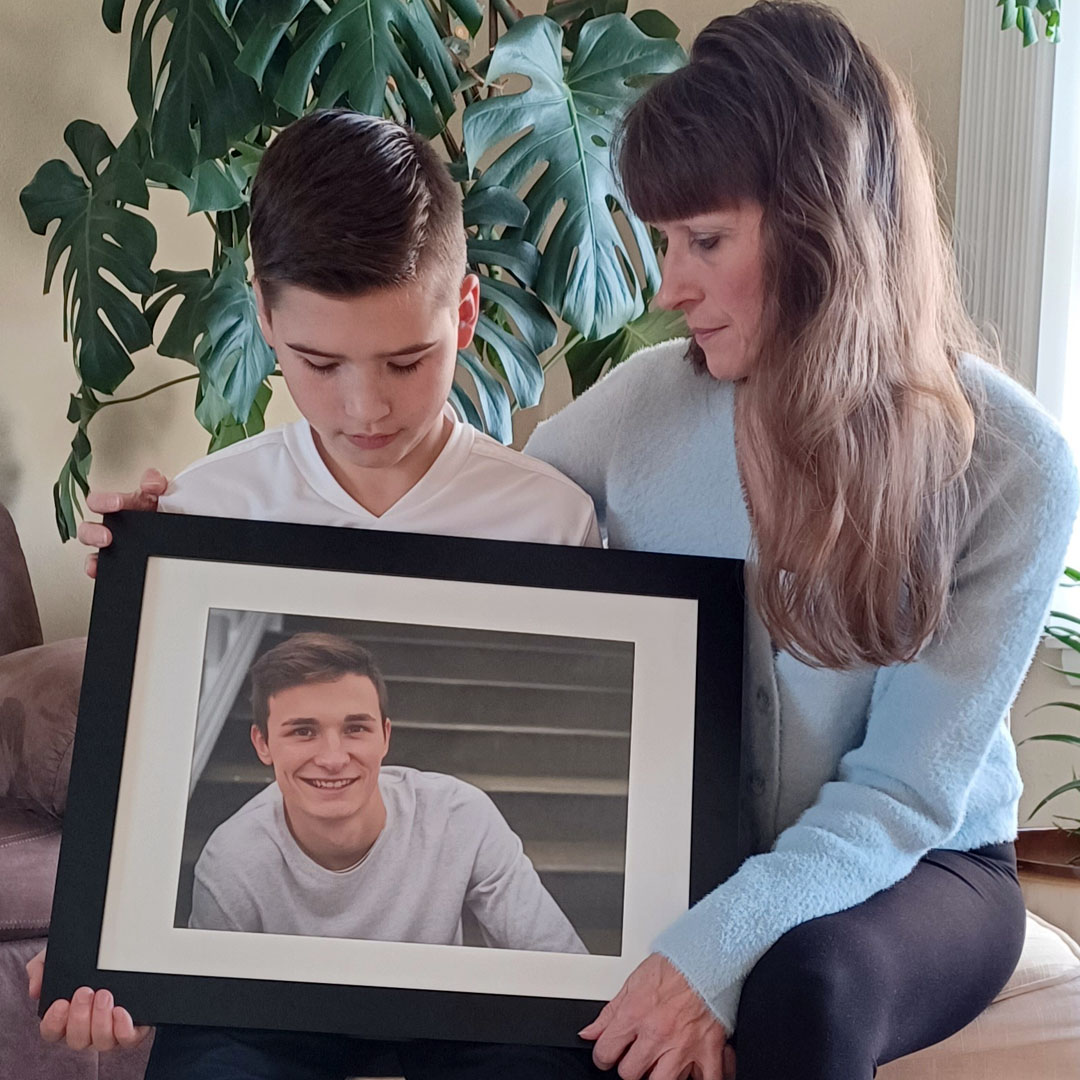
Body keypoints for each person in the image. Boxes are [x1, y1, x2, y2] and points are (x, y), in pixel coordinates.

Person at [520, 3, 1079, 1078]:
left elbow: (902, 796)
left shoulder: (1013, 462)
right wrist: (200, 525)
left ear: (821, 222)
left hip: (927, 862)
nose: (670, 286)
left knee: (807, 989)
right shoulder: (638, 409)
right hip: (689, 849)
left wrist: (707, 957)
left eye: (706, 241)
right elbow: (451, 519)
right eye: (665, 242)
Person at [26, 108, 605, 1080]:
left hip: (477, 1007)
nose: (363, 406)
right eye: (318, 363)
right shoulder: (207, 511)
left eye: (406, 361)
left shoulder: (550, 519)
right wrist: (105, 954)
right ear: (263, 316)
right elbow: (144, 796)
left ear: (462, 314)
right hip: (252, 1001)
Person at [190, 630, 586, 954]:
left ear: (385, 736)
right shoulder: (231, 859)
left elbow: (559, 961)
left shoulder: (460, 816)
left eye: (355, 728)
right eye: (303, 731)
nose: (332, 758)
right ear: (262, 745)